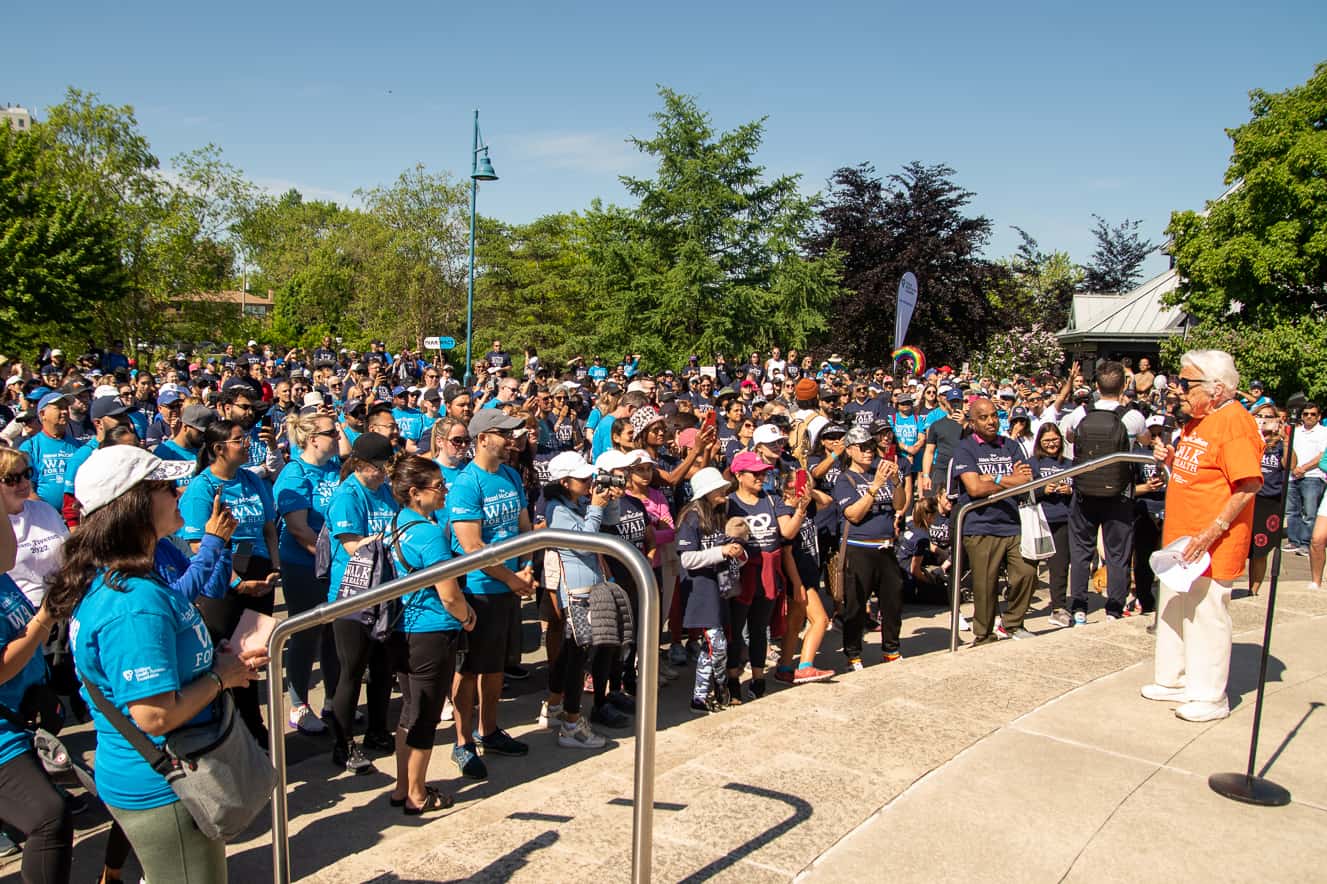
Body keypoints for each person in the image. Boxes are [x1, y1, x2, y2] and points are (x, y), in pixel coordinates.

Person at [50, 446, 266, 883]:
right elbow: (154, 713)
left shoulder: (127, 578)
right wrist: (220, 678)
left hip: (163, 775)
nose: (180, 492)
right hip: (164, 786)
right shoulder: (133, 602)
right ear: (134, 505)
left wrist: (216, 664)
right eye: (167, 487)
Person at [1145, 350, 1262, 722]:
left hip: (1212, 542)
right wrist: (1167, 459)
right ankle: (1174, 678)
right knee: (1174, 608)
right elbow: (1195, 471)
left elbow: (1247, 485)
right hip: (1181, 540)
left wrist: (1214, 529)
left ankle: (1210, 695)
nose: (1179, 389)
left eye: (1187, 383)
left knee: (1207, 615)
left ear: (1217, 388)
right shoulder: (1199, 420)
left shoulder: (1235, 423)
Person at [446, 410, 538, 780]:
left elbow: (524, 526)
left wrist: (527, 568)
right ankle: (462, 741)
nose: (512, 439)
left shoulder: (511, 474)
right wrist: (511, 577)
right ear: (482, 438)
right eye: (504, 433)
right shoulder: (467, 484)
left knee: (496, 666)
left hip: (509, 585)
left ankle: (490, 729)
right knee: (468, 670)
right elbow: (472, 546)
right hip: (478, 589)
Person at [178, 419, 280, 746]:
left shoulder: (252, 479)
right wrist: (236, 583)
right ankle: (231, 735)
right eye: (240, 440)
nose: (248, 443)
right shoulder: (202, 488)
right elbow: (198, 545)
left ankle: (254, 730)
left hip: (260, 571)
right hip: (222, 582)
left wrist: (275, 568)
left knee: (252, 658)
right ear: (219, 449)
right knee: (225, 659)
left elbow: (268, 528)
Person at [387, 456, 473, 812]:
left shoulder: (401, 523)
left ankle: (402, 785)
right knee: (425, 716)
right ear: (414, 492)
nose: (444, 490)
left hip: (405, 630)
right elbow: (449, 593)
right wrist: (468, 617)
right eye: (437, 486)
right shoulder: (426, 533)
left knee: (410, 711)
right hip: (431, 631)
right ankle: (417, 794)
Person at [0, 516, 74, 884]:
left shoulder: (3, 576)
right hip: (3, 734)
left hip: (23, 716)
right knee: (49, 815)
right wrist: (47, 614)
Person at [324, 432, 400, 773]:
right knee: (352, 671)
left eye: (388, 466)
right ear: (360, 464)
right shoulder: (347, 495)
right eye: (379, 467)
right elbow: (354, 546)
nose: (384, 473)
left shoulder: (385, 491)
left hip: (384, 591)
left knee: (384, 667)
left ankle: (378, 731)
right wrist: (390, 543)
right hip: (352, 595)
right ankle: (343, 745)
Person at [540, 451, 619, 748]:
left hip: (587, 589)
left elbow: (609, 522)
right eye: (583, 477)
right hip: (575, 594)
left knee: (570, 652)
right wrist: (596, 509)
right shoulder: (557, 510)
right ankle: (572, 725)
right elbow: (584, 547)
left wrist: (609, 501)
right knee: (576, 658)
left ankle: (556, 707)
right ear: (564, 481)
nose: (590, 481)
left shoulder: (576, 504)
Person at [271, 411, 342, 734]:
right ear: (313, 439)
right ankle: (298, 705)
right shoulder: (294, 474)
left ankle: (333, 699)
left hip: (332, 565)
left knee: (333, 632)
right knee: (305, 634)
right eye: (330, 432)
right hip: (304, 566)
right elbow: (299, 529)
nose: (337, 435)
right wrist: (330, 561)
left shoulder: (334, 468)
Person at [951, 398, 1037, 645]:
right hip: (981, 526)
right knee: (984, 586)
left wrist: (994, 476)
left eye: (994, 416)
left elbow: (1026, 480)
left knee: (1027, 572)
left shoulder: (1010, 445)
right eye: (983, 417)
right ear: (973, 421)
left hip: (1012, 521)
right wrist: (1008, 478)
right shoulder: (965, 448)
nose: (990, 421)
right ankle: (984, 634)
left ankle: (1012, 623)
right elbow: (975, 488)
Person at [1065, 361, 1139, 623]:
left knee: (1081, 551)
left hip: (1084, 493)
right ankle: (1114, 608)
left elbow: (1069, 438)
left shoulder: (1080, 414)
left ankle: (1079, 606)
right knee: (1118, 553)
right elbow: (1143, 442)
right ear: (1123, 386)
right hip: (1119, 494)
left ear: (1096, 386)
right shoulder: (1133, 417)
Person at [833, 426, 906, 667]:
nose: (868, 452)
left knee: (893, 602)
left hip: (885, 547)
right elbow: (853, 514)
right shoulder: (845, 479)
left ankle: (892, 649)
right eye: (862, 448)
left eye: (871, 447)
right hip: (859, 547)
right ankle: (853, 654)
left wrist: (896, 482)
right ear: (851, 450)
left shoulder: (880, 472)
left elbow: (899, 504)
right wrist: (874, 487)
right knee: (855, 605)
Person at [677, 467, 746, 714]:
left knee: (713, 645)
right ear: (706, 492)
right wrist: (720, 553)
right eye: (719, 488)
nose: (724, 491)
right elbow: (686, 559)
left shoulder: (719, 513)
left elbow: (727, 546)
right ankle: (717, 689)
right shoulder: (691, 517)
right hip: (701, 591)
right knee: (715, 643)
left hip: (720, 587)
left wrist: (738, 552)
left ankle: (703, 695)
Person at [1028, 423, 1073, 628]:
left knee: (1060, 567)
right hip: (1038, 520)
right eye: (1046, 440)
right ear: (1039, 442)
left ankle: (1058, 607)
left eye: (1055, 440)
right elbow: (1023, 492)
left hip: (1062, 520)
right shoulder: (1032, 463)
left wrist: (1070, 491)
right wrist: (1042, 490)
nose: (1051, 444)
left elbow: (1080, 492)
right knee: (1028, 568)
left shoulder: (1070, 464)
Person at [1246, 402, 1286, 596]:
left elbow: (1291, 466)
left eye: (1270, 417)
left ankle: (1253, 591)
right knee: (1241, 546)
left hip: (1270, 501)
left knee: (1260, 551)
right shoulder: (1248, 439)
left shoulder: (1280, 445)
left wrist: (1285, 441)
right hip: (1247, 498)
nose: (1264, 420)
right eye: (1261, 416)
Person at [1284, 401, 1324, 555]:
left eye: (1313, 414)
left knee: (1309, 512)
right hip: (1293, 476)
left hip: (1312, 476)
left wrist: (1304, 468)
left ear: (1318, 416)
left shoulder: (1323, 432)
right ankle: (1293, 541)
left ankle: (1306, 543)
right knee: (1292, 511)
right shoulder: (1296, 431)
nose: (1309, 417)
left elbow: (1321, 456)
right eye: (1306, 414)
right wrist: (1294, 469)